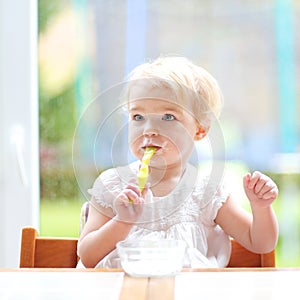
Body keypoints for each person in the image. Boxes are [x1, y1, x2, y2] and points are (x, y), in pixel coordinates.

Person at [77, 56, 278, 268]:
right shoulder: (112, 185)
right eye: (138, 117)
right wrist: (122, 222)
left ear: (199, 129)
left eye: (168, 117)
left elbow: (260, 243)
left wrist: (261, 207)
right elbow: (88, 256)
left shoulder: (207, 192)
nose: (149, 130)